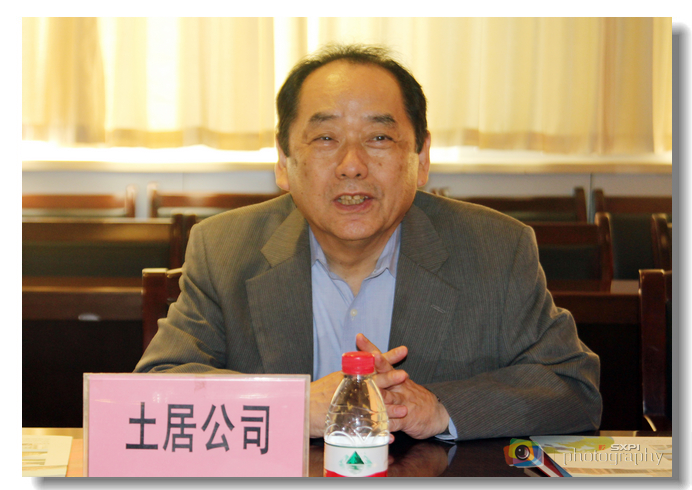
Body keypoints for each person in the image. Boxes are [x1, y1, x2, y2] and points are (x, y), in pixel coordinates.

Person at [135, 44, 602, 441]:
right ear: (283, 161)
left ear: (421, 158)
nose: (352, 165)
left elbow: (571, 387)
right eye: (325, 138)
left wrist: (439, 407)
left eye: (379, 137)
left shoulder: (496, 248)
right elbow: (155, 390)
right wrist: (295, 406)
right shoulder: (223, 248)